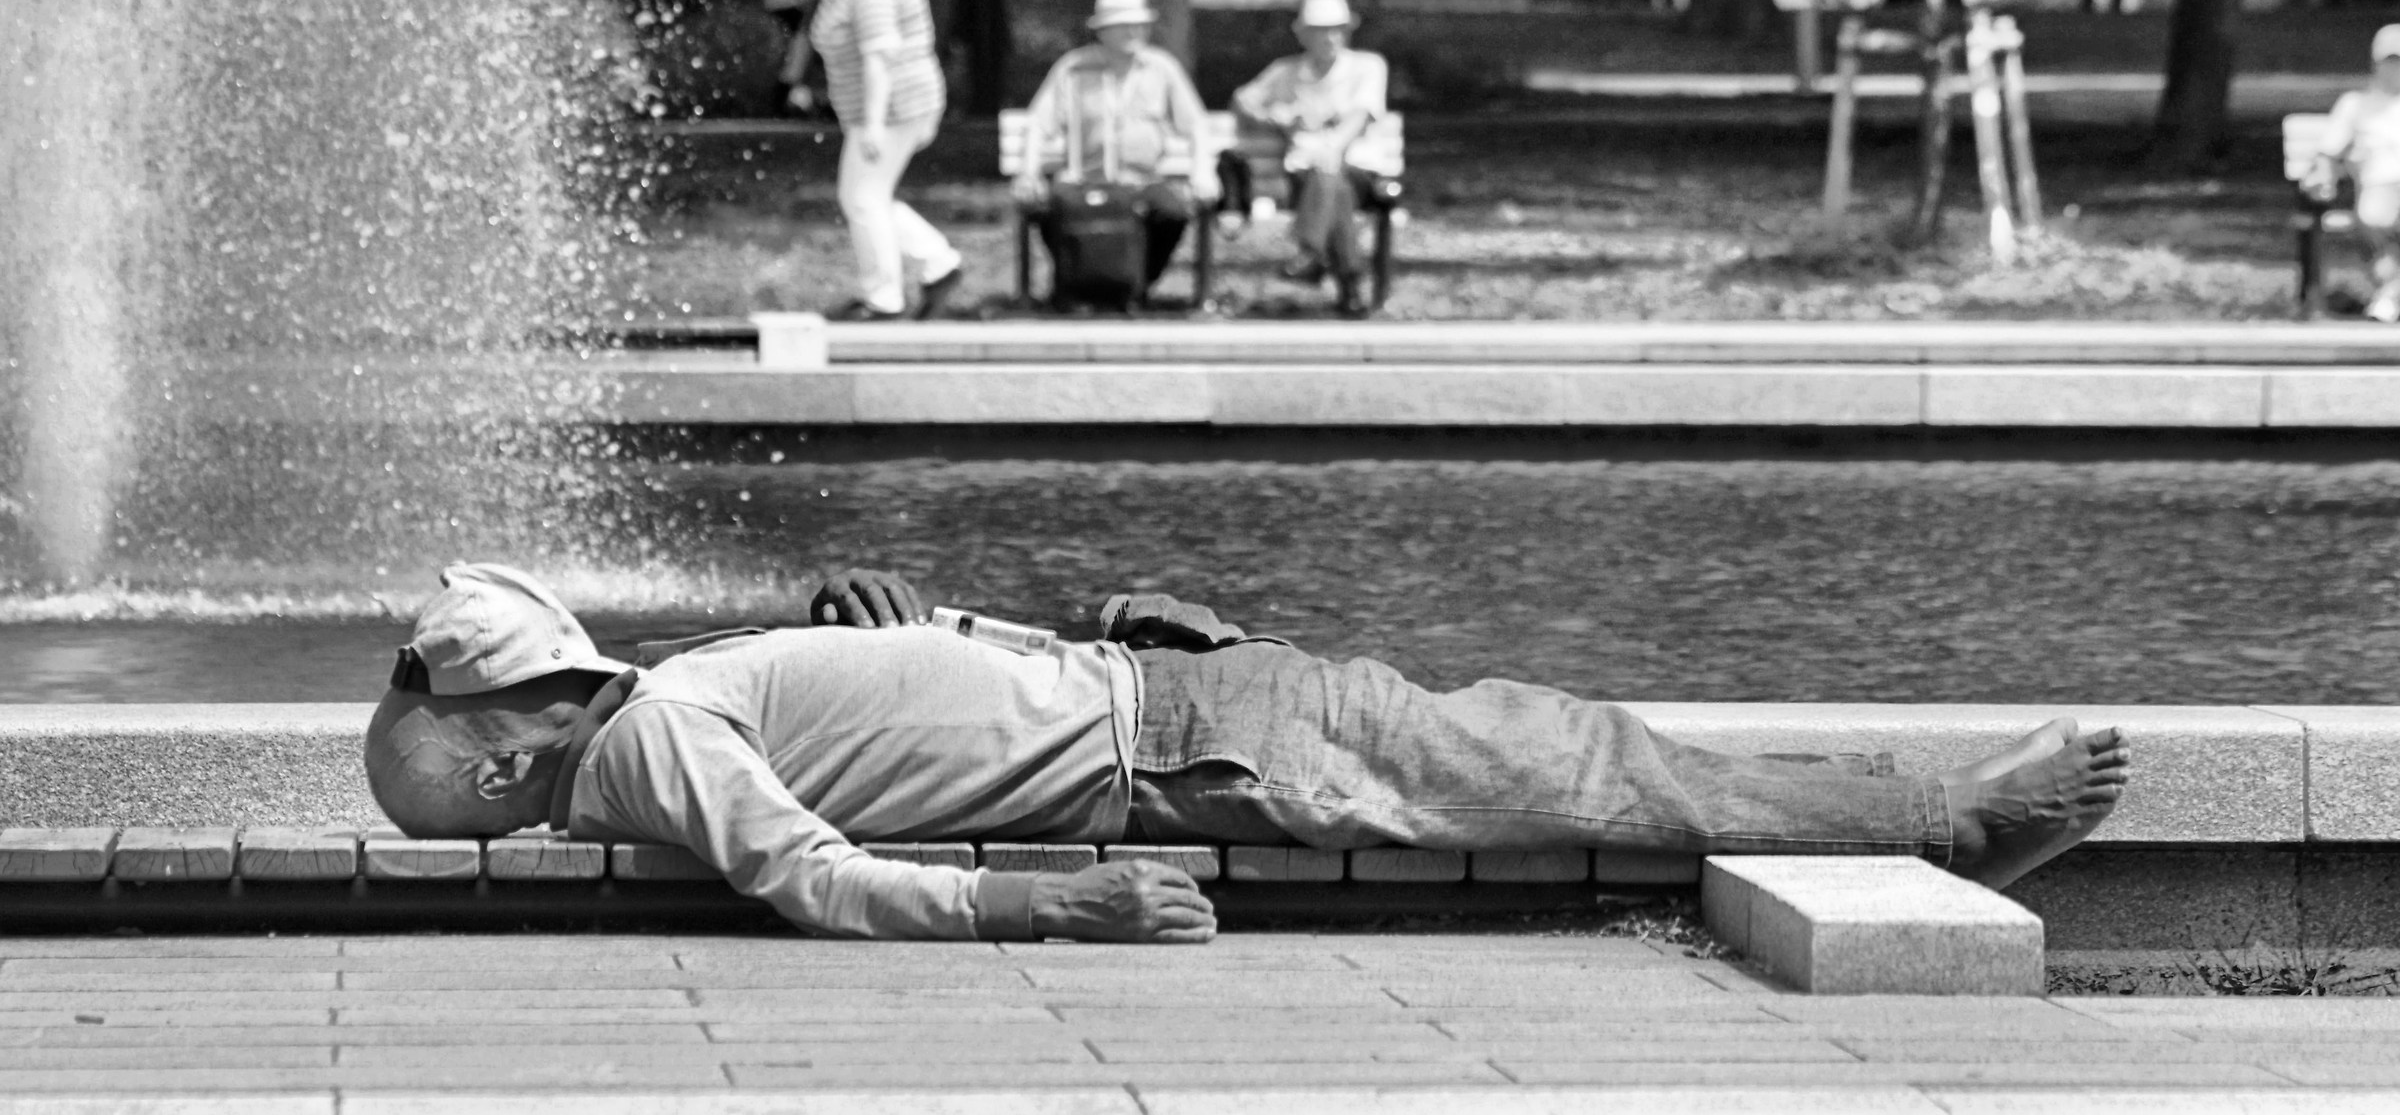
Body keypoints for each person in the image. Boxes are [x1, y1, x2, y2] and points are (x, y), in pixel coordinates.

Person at [366, 563, 2133, 945]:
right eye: (533, 674)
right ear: (513, 742)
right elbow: (815, 872)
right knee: (1596, 762)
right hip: (1202, 752)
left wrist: (918, 624)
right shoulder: (659, 732)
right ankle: (1956, 820)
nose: (568, 666)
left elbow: (886, 735)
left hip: (1179, 700)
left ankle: (1933, 811)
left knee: (1572, 745)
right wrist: (1055, 913)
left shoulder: (659, 709)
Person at [792, 0, 964, 321]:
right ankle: (938, 263)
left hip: (893, 106)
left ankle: (885, 297)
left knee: (863, 198)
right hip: (885, 106)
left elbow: (879, 55)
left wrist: (871, 124)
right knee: (867, 196)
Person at [1012, 0, 1221, 306]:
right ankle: (1080, 283)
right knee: (1051, 208)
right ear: (1102, 31)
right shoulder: (1073, 69)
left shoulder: (1162, 68)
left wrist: (1203, 172)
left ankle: (1133, 282)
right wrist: (1028, 173)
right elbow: (1039, 123)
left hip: (1141, 181)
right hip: (1084, 181)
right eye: (1123, 25)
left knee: (1172, 213)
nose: (1133, 31)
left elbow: (1195, 124)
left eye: (1139, 24)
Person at [1232, 0, 1392, 316]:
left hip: (1359, 169)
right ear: (1303, 35)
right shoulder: (1285, 72)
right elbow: (1242, 100)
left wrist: (1332, 148)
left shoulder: (1368, 66)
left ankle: (1310, 252)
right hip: (1307, 177)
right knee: (1335, 189)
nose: (1330, 37)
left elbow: (1359, 116)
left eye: (1337, 29)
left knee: (1331, 176)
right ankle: (1350, 287)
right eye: (1320, 30)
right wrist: (1276, 115)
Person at [2305, 23, 2400, 322]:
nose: (2396, 69)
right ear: (2376, 63)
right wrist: (2322, 176)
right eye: (2391, 61)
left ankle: (2389, 295)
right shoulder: (2355, 105)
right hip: (2379, 185)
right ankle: (2391, 294)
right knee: (2376, 216)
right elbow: (2327, 152)